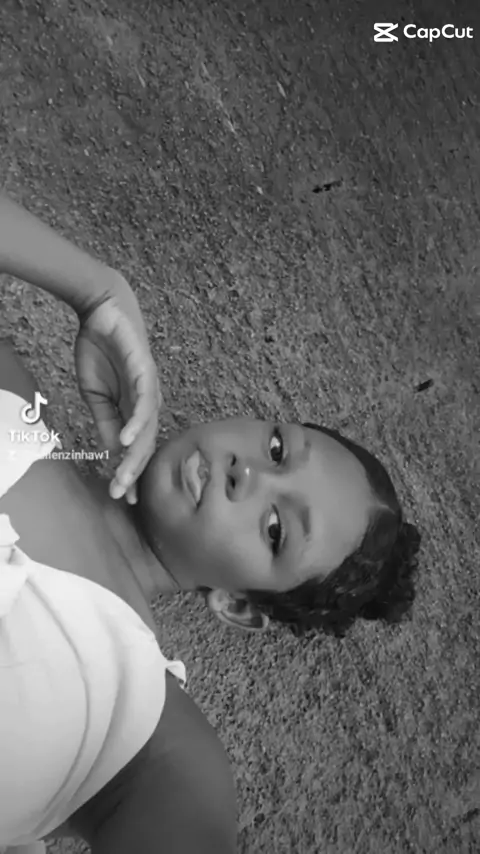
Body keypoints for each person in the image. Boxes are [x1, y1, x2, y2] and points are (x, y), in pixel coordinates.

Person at [0, 197, 422, 852]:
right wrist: (96, 289)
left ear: (238, 606)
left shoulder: (151, 741)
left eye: (276, 529)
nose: (246, 474)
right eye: (277, 450)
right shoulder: (19, 398)